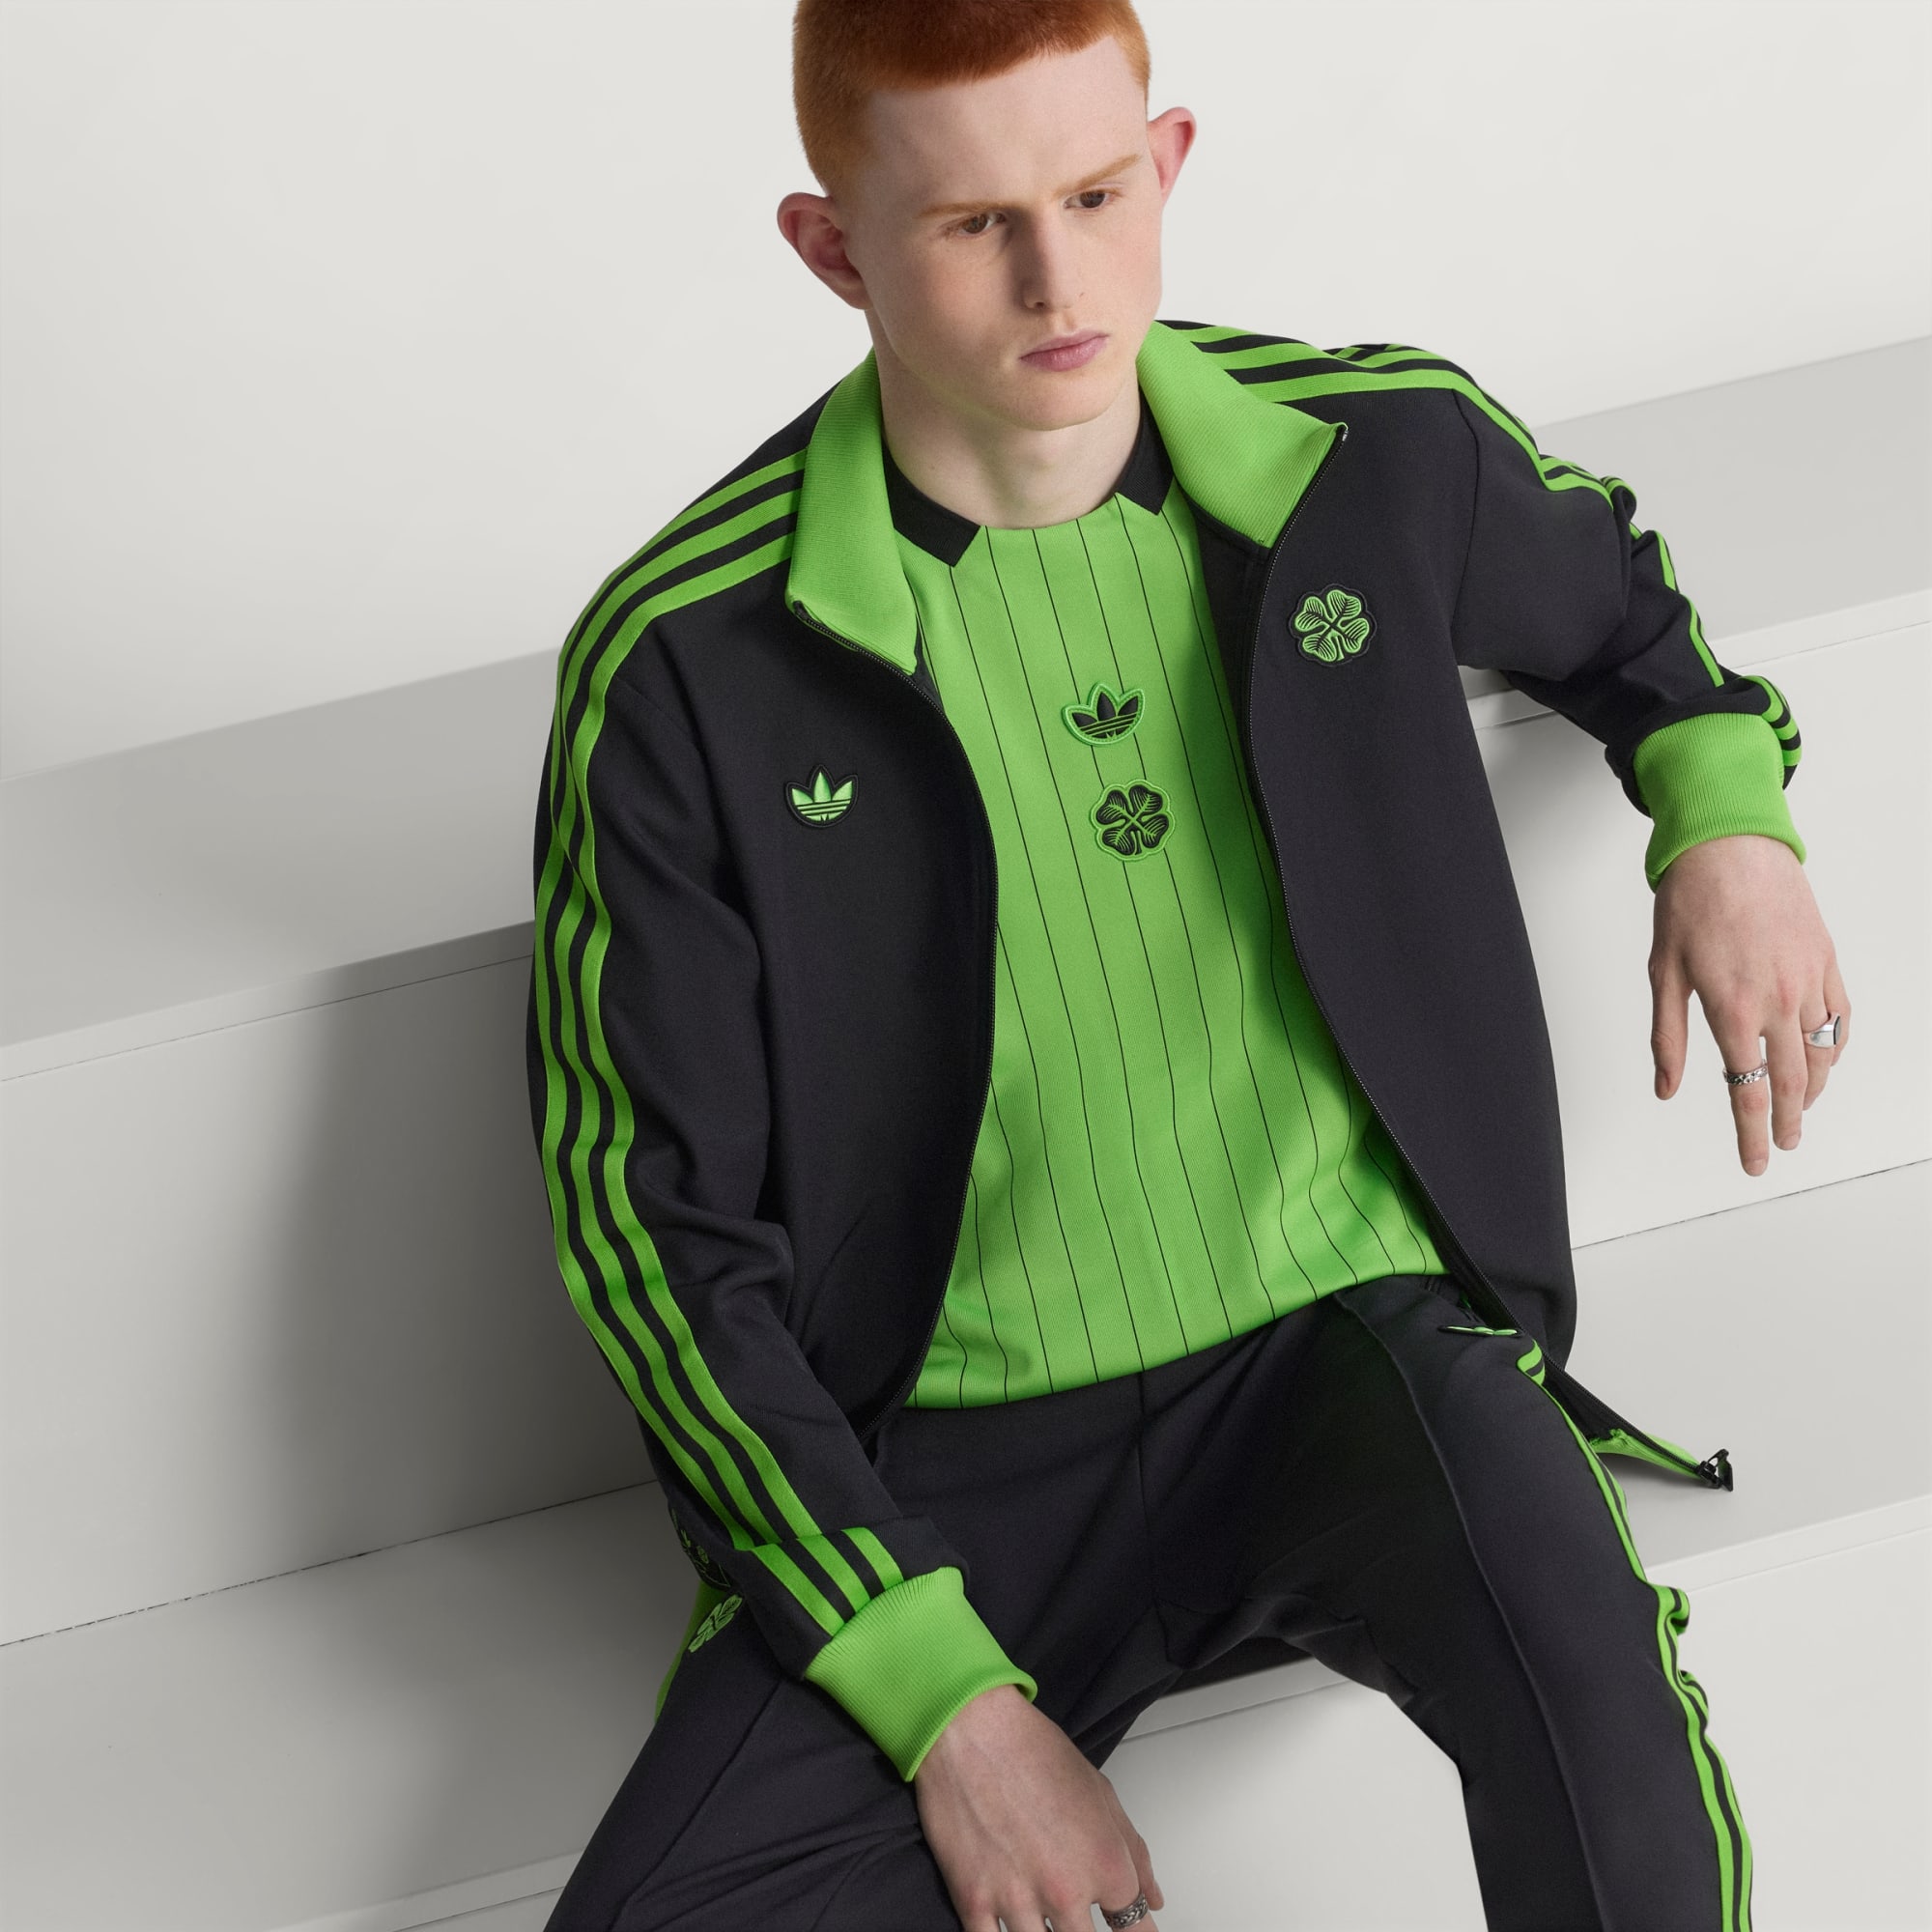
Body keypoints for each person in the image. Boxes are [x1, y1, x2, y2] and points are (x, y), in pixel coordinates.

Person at [524, 3, 1850, 1925]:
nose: (1059, 280)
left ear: (1169, 162)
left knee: (1607, 1727)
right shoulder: (683, 662)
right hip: (948, 1461)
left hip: (1354, 1352)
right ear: (833, 250)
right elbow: (656, 1240)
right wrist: (955, 1711)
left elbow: (1624, 605)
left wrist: (1726, 819)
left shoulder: (1370, 453)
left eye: (1094, 192)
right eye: (972, 224)